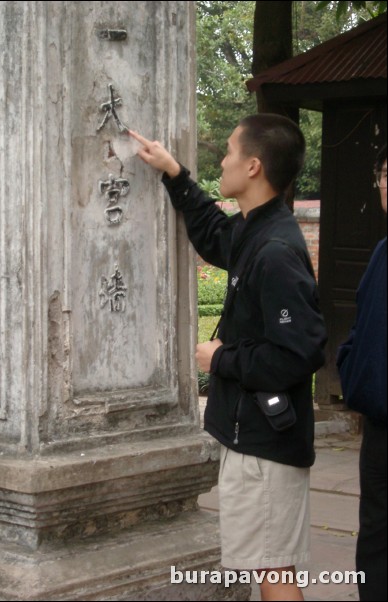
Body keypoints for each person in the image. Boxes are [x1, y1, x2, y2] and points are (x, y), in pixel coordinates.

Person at [129, 113, 327, 601]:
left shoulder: (276, 248)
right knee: (268, 566)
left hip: (266, 444)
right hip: (253, 438)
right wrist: (176, 175)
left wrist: (222, 359)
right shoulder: (255, 229)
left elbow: (300, 351)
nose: (223, 159)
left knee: (273, 571)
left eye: (231, 152)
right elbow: (215, 232)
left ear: (254, 166)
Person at [337, 144, 387, 602]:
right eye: (387, 173)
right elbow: (361, 326)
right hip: (379, 426)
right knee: (375, 536)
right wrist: (352, 367)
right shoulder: (382, 251)